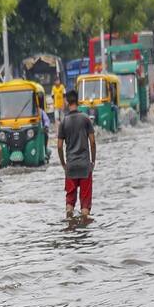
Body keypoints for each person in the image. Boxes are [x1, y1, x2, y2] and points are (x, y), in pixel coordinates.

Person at [57, 89, 96, 218]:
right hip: (85, 165)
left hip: (71, 166)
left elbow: (59, 146)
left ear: (67, 102)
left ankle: (71, 228)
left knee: (69, 204)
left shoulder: (64, 122)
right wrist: (93, 161)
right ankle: (85, 234)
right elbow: (92, 142)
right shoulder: (86, 119)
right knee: (85, 206)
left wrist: (64, 164)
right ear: (78, 100)